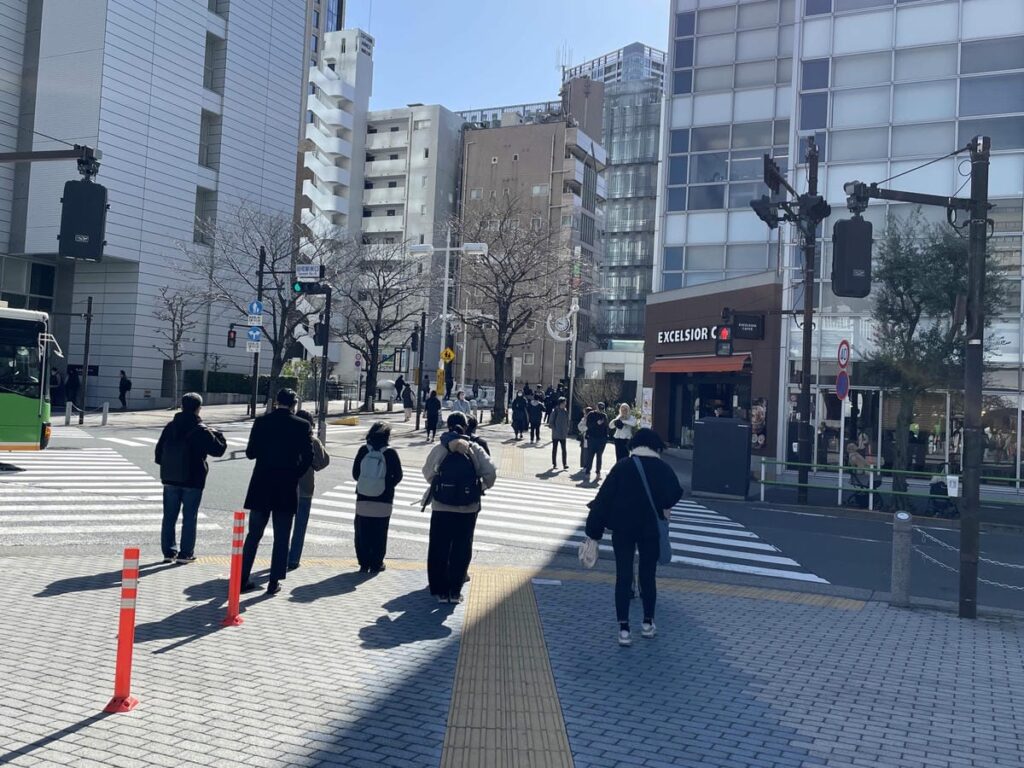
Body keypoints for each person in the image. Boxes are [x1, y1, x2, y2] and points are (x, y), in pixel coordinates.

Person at [584, 428, 683, 646]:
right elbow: (676, 492)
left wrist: (594, 532)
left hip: (623, 529)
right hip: (650, 531)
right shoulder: (662, 468)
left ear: (634, 446)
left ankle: (624, 629)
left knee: (624, 575)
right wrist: (663, 505)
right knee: (648, 576)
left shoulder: (623, 467)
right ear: (655, 447)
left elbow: (603, 499)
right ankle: (648, 623)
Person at [240, 389, 314, 595]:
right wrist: (295, 474)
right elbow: (308, 457)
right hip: (286, 485)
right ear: (294, 404)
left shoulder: (262, 422)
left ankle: (242, 577)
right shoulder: (302, 425)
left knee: (253, 534)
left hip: (261, 483)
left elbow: (250, 453)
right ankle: (274, 581)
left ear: (276, 403)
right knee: (282, 536)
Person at [423, 412, 496, 603]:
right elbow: (491, 472)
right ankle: (455, 592)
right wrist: (480, 487)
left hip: (441, 507)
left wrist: (438, 483)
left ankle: (440, 590)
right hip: (467, 507)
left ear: (448, 426)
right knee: (461, 548)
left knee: (439, 547)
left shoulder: (441, 448)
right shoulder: (474, 449)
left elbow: (427, 472)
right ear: (466, 427)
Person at [154, 393, 227, 563]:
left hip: (170, 478)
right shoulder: (201, 429)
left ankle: (168, 552)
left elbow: (158, 454)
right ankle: (186, 553)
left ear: (181, 406)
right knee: (189, 517)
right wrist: (219, 435)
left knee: (169, 516)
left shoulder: (170, 426)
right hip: (193, 479)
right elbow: (218, 450)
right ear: (198, 408)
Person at [352, 421, 404, 573]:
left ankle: (363, 563)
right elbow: (399, 476)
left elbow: (355, 474)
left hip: (363, 497)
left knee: (362, 531)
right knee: (380, 531)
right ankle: (377, 563)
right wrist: (387, 485)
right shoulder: (390, 453)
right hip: (384, 499)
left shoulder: (363, 450)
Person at [288, 409, 330, 571]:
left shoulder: (288, 438)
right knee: (300, 525)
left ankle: (280, 556)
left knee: (283, 525)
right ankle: (293, 559)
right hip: (305, 488)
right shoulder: (312, 441)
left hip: (286, 486)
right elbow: (323, 462)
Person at [584, 403, 610, 480]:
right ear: (596, 407)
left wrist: (606, 438)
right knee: (590, 456)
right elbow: (588, 425)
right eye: (600, 408)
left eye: (602, 409)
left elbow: (606, 427)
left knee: (599, 456)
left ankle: (598, 472)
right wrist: (596, 423)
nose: (601, 410)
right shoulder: (591, 414)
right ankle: (587, 472)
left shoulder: (604, 416)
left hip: (601, 439)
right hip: (592, 438)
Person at [548, 397, 569, 470]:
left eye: (565, 403)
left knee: (564, 449)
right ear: (560, 403)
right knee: (555, 449)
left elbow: (567, 422)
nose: (565, 404)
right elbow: (551, 422)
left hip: (563, 434)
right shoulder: (555, 411)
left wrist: (567, 430)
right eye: (564, 403)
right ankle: (554, 464)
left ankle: (565, 464)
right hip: (556, 434)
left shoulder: (565, 411)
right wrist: (555, 429)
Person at [578, 405, 593, 469]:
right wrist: (586, 427)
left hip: (591, 438)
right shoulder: (583, 419)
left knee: (589, 453)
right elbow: (579, 427)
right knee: (584, 452)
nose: (585, 414)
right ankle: (584, 465)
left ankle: (588, 465)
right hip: (584, 437)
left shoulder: (593, 419)